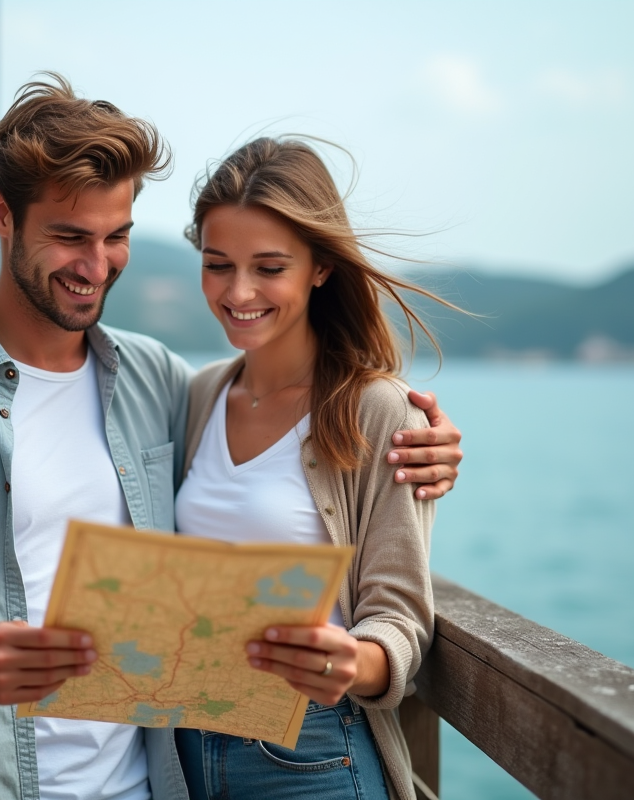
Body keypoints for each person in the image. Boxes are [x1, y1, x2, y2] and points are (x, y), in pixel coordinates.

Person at [0, 75, 462, 800]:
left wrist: (430, 445)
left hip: (159, 782)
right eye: (70, 237)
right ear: (1, 215)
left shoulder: (157, 382)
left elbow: (307, 446)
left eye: (117, 238)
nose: (96, 264)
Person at [172, 138, 447, 800]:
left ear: (320, 266)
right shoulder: (198, 396)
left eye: (269, 267)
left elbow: (400, 615)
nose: (238, 292)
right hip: (179, 749)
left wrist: (355, 664)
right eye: (217, 265)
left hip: (312, 755)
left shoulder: (378, 412)